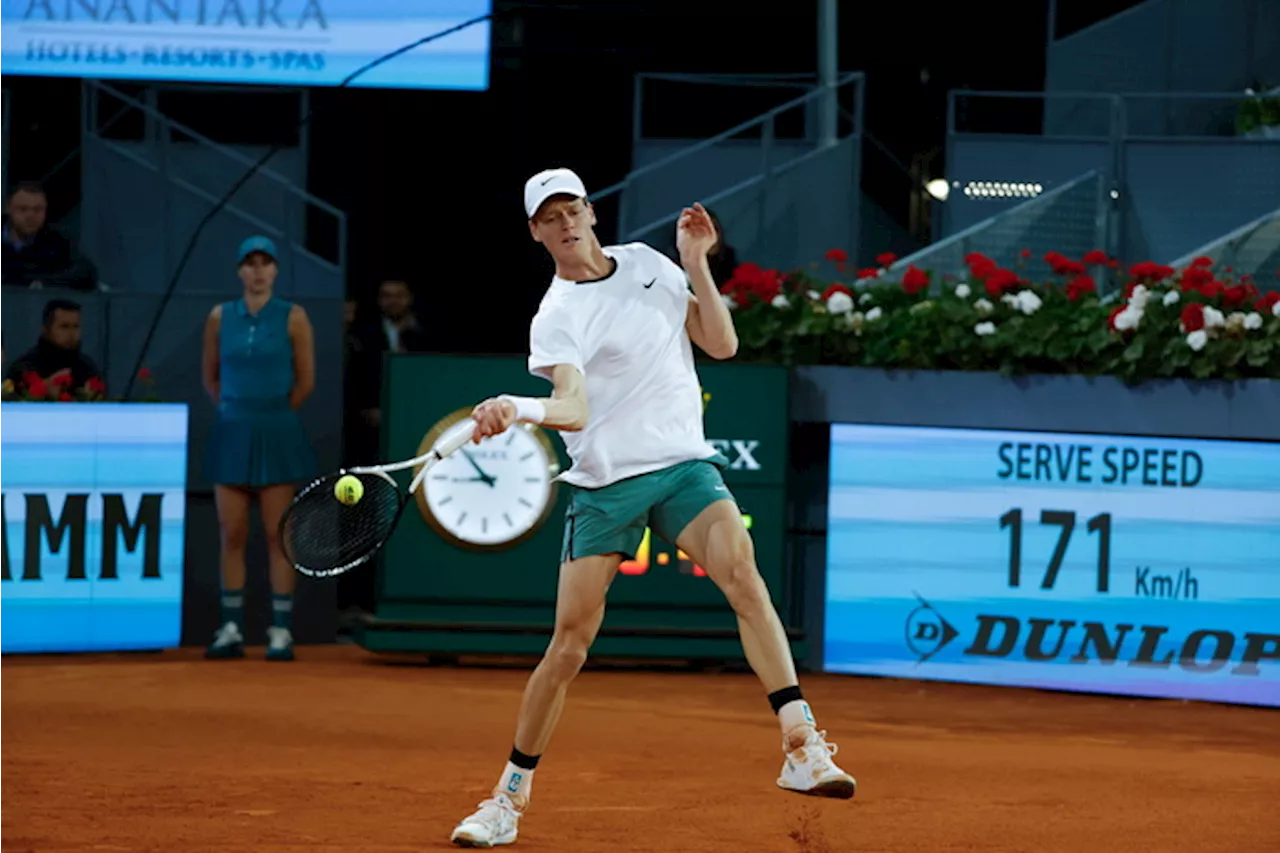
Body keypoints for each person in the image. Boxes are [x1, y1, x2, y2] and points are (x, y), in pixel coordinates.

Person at [448, 169, 855, 848]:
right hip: (607, 484)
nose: (566, 223)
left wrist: (696, 263)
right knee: (569, 648)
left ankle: (800, 742)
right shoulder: (556, 315)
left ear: (591, 213)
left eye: (573, 208)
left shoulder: (648, 265)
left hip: (683, 466)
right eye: (550, 217)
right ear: (536, 233)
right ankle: (507, 797)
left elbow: (720, 343)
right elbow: (573, 409)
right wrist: (518, 406)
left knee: (745, 577)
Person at [201, 236, 317, 663]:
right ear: (239, 271)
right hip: (231, 430)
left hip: (277, 430)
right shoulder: (219, 317)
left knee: (276, 535)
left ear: (275, 271)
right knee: (231, 533)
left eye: (264, 263)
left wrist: (271, 414)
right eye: (249, 263)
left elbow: (305, 381)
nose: (257, 271)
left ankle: (280, 631)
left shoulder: (294, 317)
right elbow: (210, 376)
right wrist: (236, 411)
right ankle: (230, 627)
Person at [0, 182, 98, 291]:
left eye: (38, 210)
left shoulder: (57, 238)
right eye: (23, 209)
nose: (31, 216)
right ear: (8, 208)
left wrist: (42, 283)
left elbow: (85, 272)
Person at [2, 298, 104, 393]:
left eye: (76, 326)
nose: (72, 333)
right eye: (64, 327)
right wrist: (41, 390)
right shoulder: (24, 368)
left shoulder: (87, 368)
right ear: (46, 329)